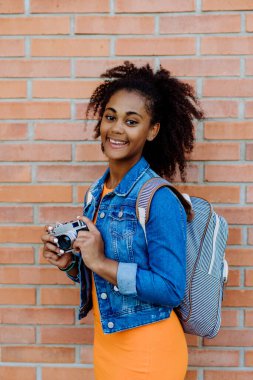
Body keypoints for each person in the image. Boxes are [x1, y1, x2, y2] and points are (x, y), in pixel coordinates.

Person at [41, 61, 204, 380]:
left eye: (132, 121)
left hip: (149, 350)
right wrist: (70, 265)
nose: (116, 129)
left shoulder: (158, 198)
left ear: (152, 130)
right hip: (108, 344)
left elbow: (170, 288)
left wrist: (100, 261)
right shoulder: (96, 193)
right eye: (110, 117)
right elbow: (104, 279)